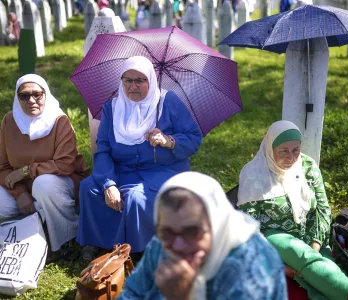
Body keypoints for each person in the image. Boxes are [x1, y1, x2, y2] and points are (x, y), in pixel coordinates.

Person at [77, 56, 202, 260]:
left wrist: (169, 140)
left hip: (161, 172)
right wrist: (109, 184)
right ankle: (98, 240)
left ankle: (138, 249)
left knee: (135, 198)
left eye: (140, 80)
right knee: (89, 188)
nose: (133, 86)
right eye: (128, 80)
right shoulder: (112, 107)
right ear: (121, 81)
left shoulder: (167, 102)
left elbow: (193, 138)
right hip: (121, 169)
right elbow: (104, 149)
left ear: (150, 81)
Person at [238, 120, 348, 300]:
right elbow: (249, 227)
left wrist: (316, 243)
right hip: (274, 236)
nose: (291, 157)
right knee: (304, 257)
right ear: (270, 148)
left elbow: (323, 209)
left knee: (321, 266)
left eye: (296, 150)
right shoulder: (253, 175)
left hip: (310, 231)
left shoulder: (307, 167)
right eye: (283, 151)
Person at [118, 171, 287, 300]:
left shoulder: (250, 268)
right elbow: (132, 292)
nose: (178, 245)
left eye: (192, 232)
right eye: (166, 232)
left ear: (217, 224)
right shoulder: (161, 243)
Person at [0, 74, 89, 253]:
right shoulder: (9, 121)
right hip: (25, 188)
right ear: (17, 98)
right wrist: (19, 194)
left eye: (37, 94)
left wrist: (26, 170)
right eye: (24, 96)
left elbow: (64, 165)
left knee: (44, 185)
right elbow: (3, 167)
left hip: (62, 181)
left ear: (45, 94)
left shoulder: (59, 120)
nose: (31, 100)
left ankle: (66, 238)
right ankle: (34, 230)